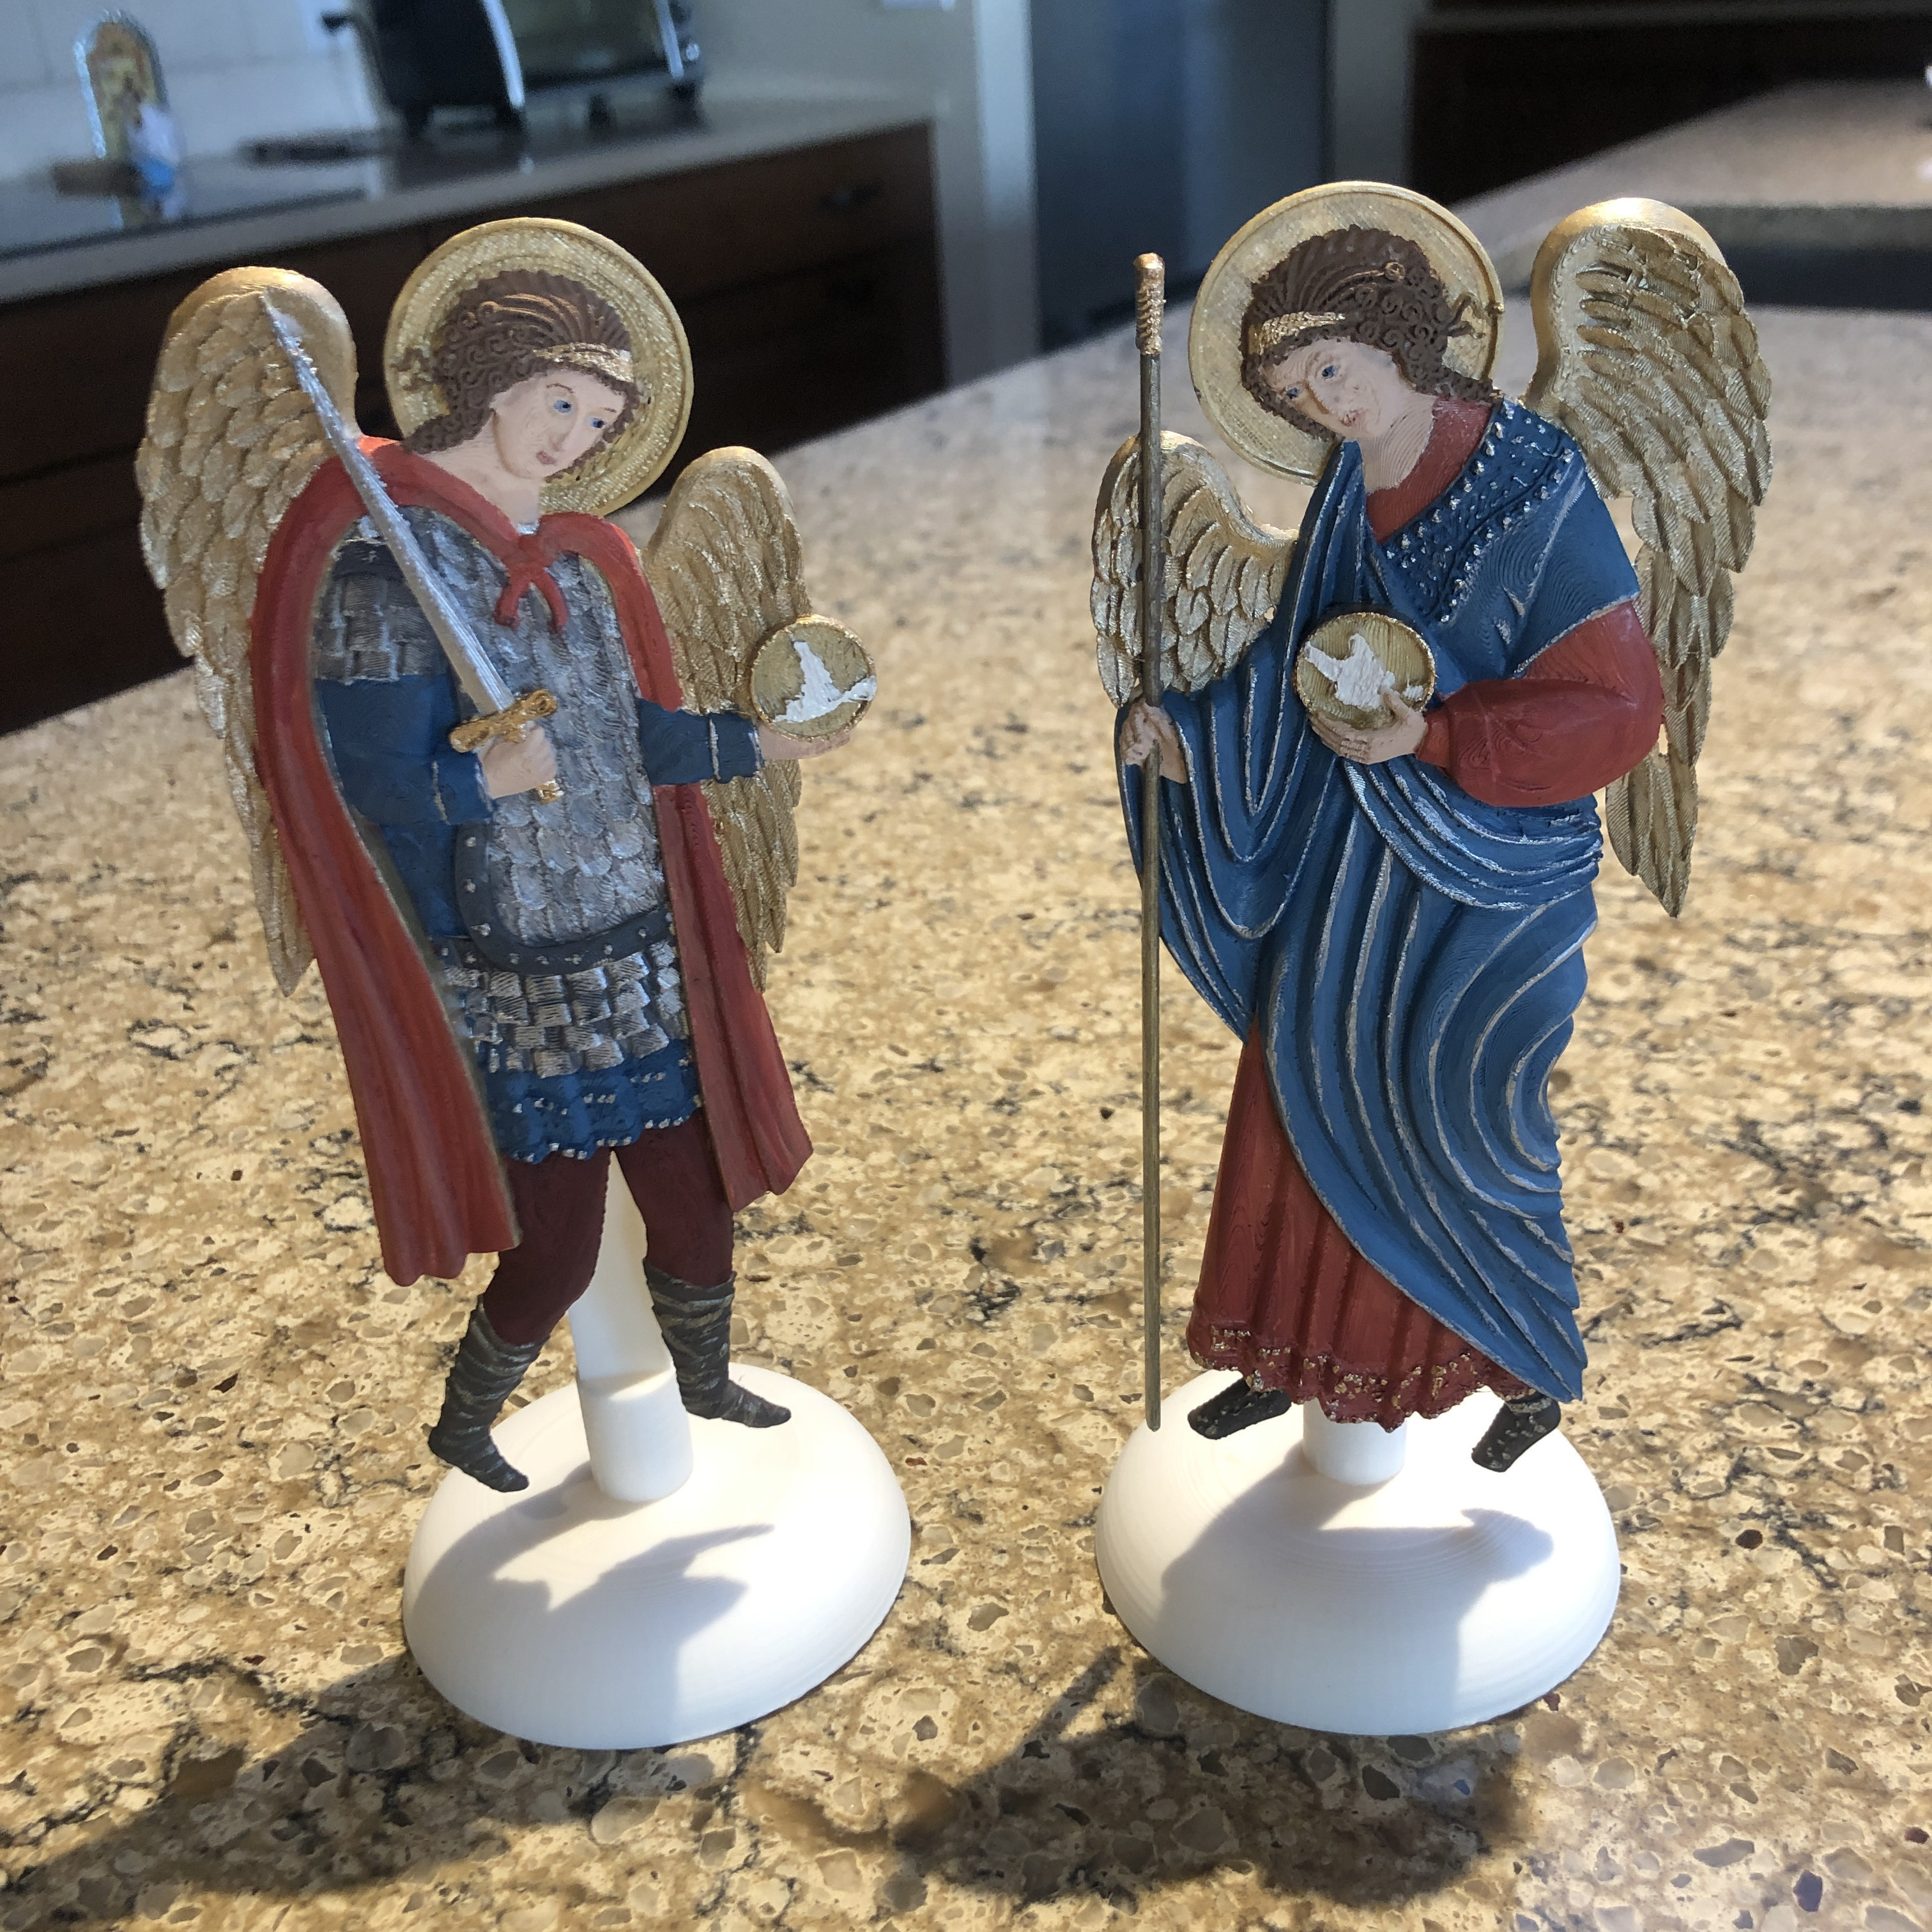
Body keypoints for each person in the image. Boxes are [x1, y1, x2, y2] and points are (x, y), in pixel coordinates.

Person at [250, 266, 841, 1491]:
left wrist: (754, 744)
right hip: (514, 962)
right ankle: (464, 1420)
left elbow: (636, 742)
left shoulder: (580, 564)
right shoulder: (383, 566)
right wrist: (484, 780)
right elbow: (369, 782)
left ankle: (704, 1378)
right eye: (560, 402)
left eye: (599, 421)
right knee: (558, 1241)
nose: (574, 438)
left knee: (695, 1199)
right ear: (493, 384)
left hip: (634, 938)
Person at [1119, 224, 1663, 1471]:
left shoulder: (1533, 477)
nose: (1324, 401)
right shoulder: (1346, 487)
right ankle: (1289, 1356)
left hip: (1487, 872)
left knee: (1463, 1120)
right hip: (1351, 862)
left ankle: (1520, 1365)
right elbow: (1301, 664)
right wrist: (1192, 736)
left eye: (1332, 367)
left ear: (1395, 338)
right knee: (1301, 1086)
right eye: (1296, 389)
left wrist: (1438, 736)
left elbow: (1622, 705)